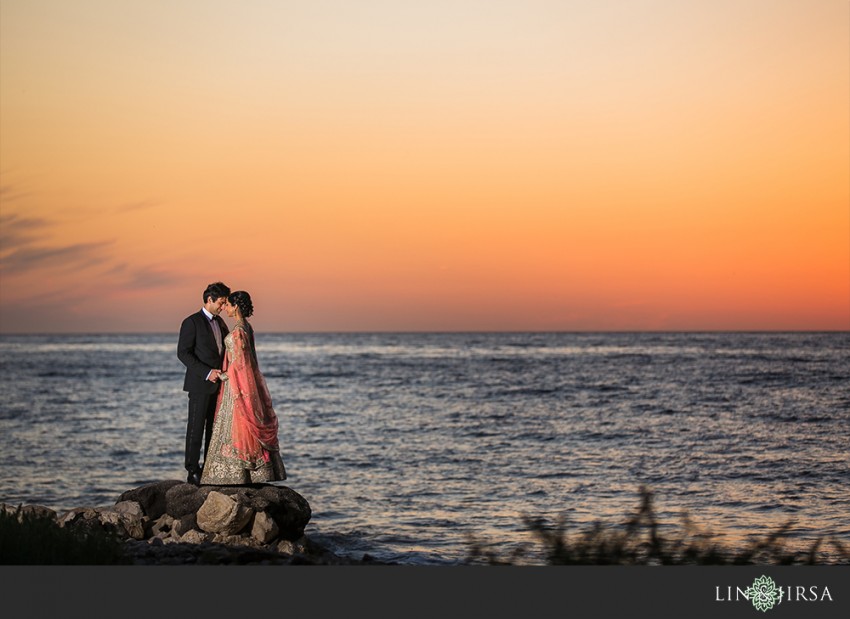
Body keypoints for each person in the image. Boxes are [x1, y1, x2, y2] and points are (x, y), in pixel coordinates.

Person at [200, 291, 287, 484]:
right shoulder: (247, 327)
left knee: (238, 425)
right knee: (244, 425)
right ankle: (253, 473)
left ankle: (239, 473)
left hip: (236, 384)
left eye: (228, 305)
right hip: (242, 382)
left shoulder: (238, 331)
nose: (225, 308)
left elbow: (240, 363)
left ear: (236, 307)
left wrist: (223, 375)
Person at [177, 281, 231, 485]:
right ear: (209, 300)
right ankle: (192, 470)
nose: (223, 307)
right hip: (200, 384)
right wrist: (207, 373)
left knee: (214, 429)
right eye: (221, 302)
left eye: (225, 303)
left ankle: (209, 467)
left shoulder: (221, 323)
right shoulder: (191, 322)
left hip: (220, 386)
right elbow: (183, 353)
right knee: (195, 428)